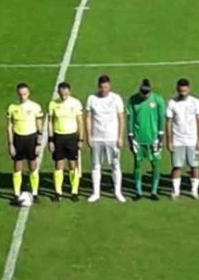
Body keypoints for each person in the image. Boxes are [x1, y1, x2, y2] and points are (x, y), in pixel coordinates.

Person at [85, 74, 125, 203]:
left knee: (115, 165)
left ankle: (118, 192)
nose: (104, 90)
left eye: (106, 87)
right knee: (96, 166)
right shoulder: (92, 99)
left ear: (110, 86)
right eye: (102, 87)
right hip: (97, 138)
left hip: (112, 138)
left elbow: (121, 118)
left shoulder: (116, 98)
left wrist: (120, 137)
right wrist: (89, 136)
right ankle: (96, 193)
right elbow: (88, 118)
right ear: (98, 87)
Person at [127, 79, 166, 201]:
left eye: (146, 93)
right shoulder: (133, 100)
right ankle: (138, 192)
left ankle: (154, 191)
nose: (144, 95)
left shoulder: (158, 100)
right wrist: (130, 136)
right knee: (138, 164)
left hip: (153, 139)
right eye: (142, 93)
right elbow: (130, 119)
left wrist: (160, 137)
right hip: (139, 140)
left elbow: (161, 119)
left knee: (156, 164)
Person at [167, 78, 199, 200]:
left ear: (189, 88)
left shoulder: (195, 102)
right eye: (181, 90)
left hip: (192, 140)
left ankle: (194, 191)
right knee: (177, 166)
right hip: (178, 140)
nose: (183, 92)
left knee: (195, 166)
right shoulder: (172, 103)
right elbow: (169, 122)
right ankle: (176, 191)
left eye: (185, 90)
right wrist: (169, 140)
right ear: (177, 89)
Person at [7, 82, 44, 204]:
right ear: (17, 94)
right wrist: (11, 144)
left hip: (31, 138)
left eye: (25, 94)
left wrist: (39, 144)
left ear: (28, 94)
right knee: (17, 166)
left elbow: (40, 127)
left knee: (32, 166)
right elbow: (10, 127)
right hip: (18, 138)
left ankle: (35, 193)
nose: (23, 96)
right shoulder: (12, 108)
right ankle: (16, 193)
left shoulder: (35, 107)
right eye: (21, 94)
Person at [47, 81, 84, 201]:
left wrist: (81, 138)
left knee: (72, 164)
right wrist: (51, 139)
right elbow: (50, 122)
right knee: (59, 164)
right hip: (58, 136)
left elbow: (80, 122)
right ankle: (58, 191)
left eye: (66, 94)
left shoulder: (76, 103)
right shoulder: (53, 104)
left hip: (72, 136)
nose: (64, 96)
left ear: (69, 92)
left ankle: (74, 191)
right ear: (59, 93)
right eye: (62, 94)